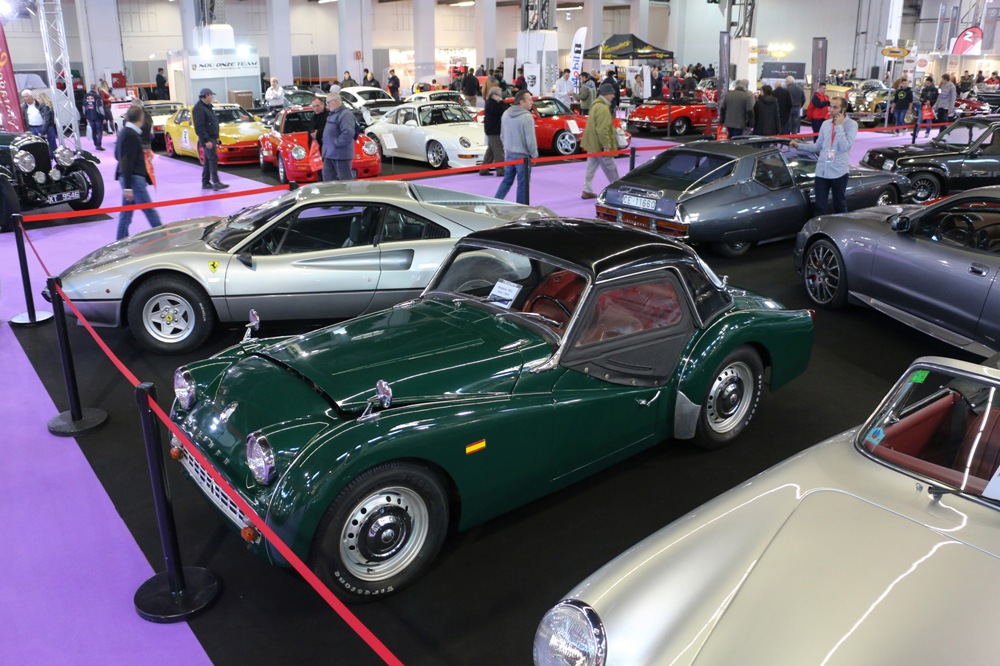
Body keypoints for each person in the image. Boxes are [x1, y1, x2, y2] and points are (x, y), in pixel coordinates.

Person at [790, 96, 856, 215]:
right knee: (820, 207)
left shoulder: (851, 125)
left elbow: (845, 147)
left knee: (839, 205)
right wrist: (799, 145)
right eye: (830, 106)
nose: (831, 110)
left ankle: (840, 226)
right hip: (822, 171)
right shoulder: (825, 124)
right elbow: (818, 146)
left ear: (843, 109)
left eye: (835, 107)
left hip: (838, 172)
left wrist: (839, 126)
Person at [114, 104, 162, 240]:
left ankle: (120, 241)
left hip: (129, 178)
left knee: (126, 214)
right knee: (150, 211)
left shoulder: (125, 132)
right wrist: (128, 187)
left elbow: (118, 156)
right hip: (133, 179)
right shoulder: (131, 135)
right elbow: (125, 161)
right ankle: (163, 238)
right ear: (141, 118)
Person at [495, 90, 537, 204]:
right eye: (529, 100)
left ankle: (494, 203)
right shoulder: (527, 117)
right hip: (523, 157)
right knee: (523, 186)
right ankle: (521, 208)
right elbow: (531, 140)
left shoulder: (506, 113)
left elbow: (502, 135)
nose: (531, 102)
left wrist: (507, 147)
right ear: (522, 102)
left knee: (506, 181)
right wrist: (534, 155)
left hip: (509, 155)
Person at [580, 82, 620, 200]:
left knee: (590, 168)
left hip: (592, 144)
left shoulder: (595, 105)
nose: (613, 96)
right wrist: (606, 146)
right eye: (612, 93)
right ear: (607, 94)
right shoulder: (603, 108)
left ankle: (587, 190)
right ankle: (618, 192)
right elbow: (602, 129)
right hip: (600, 146)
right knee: (611, 169)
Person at [192, 88, 228, 190]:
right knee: (213, 159)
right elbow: (199, 127)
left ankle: (206, 182)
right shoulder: (199, 108)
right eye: (211, 95)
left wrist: (216, 137)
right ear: (207, 95)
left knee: (208, 161)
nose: (212, 97)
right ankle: (216, 182)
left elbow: (212, 122)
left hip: (211, 137)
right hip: (207, 138)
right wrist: (206, 140)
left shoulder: (207, 107)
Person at [322, 91, 357, 181]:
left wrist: (337, 143)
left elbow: (348, 132)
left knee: (345, 180)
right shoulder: (334, 113)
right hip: (330, 153)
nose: (327, 105)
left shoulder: (345, 114)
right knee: (328, 179)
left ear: (335, 101)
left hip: (340, 154)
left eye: (328, 102)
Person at [480, 87, 506, 176]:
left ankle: (484, 169)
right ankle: (500, 170)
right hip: (494, 131)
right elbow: (502, 110)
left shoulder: (489, 103)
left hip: (492, 130)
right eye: (500, 94)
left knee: (490, 151)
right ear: (494, 95)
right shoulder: (492, 104)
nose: (501, 96)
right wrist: (501, 101)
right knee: (499, 151)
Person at [20, 90, 56, 155]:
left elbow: (47, 117)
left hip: (43, 126)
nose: (25, 98)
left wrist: (44, 130)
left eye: (26, 96)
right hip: (32, 128)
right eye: (24, 97)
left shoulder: (39, 103)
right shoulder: (23, 106)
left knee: (50, 144)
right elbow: (23, 118)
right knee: (36, 146)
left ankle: (51, 156)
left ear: (31, 96)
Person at [82, 84, 105, 150]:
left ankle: (95, 143)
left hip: (89, 115)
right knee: (99, 131)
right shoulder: (97, 96)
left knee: (93, 130)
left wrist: (85, 115)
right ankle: (98, 145)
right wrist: (103, 116)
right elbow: (100, 108)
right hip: (98, 116)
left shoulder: (85, 96)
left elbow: (84, 107)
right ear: (95, 88)